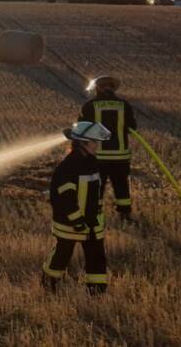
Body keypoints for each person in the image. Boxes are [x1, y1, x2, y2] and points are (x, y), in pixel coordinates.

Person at [42, 121, 111, 295]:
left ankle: (97, 292)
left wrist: (97, 218)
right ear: (82, 143)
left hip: (92, 223)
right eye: (94, 142)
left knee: (97, 257)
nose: (97, 145)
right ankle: (49, 285)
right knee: (62, 255)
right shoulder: (67, 168)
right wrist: (78, 221)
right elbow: (64, 200)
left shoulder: (94, 162)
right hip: (69, 223)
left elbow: (97, 194)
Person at [79, 76, 138, 219]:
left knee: (96, 187)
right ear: (113, 88)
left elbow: (82, 128)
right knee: (121, 186)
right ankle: (124, 214)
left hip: (97, 156)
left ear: (97, 88)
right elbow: (132, 127)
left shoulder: (89, 105)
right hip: (120, 156)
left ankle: (95, 215)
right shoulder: (124, 105)